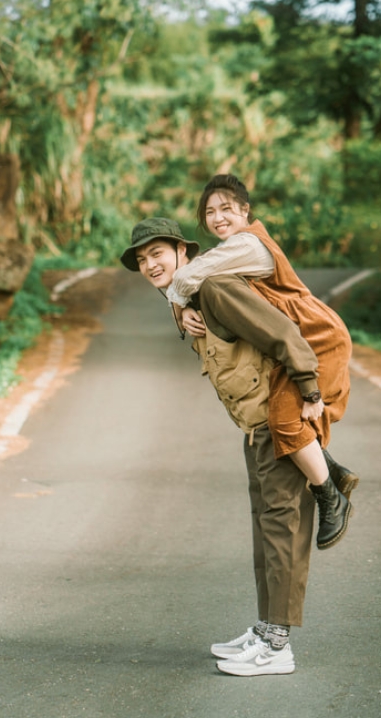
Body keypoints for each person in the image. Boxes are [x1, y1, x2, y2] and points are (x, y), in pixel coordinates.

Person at [120, 217, 356, 677]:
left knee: (282, 526)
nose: (150, 265)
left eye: (158, 254)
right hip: (255, 428)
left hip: (277, 421)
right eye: (143, 260)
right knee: (264, 529)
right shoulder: (187, 300)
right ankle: (266, 628)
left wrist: (308, 390)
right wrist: (179, 310)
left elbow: (283, 335)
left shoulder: (213, 290)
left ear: (183, 253)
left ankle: (278, 646)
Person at [166, 174, 356, 549]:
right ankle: (333, 470)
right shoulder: (231, 250)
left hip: (319, 339)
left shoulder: (249, 244)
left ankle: (331, 497)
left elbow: (187, 275)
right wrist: (182, 305)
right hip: (297, 341)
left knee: (288, 418)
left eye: (226, 209)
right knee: (282, 414)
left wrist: (177, 304)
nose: (218, 218)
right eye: (209, 213)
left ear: (245, 211)